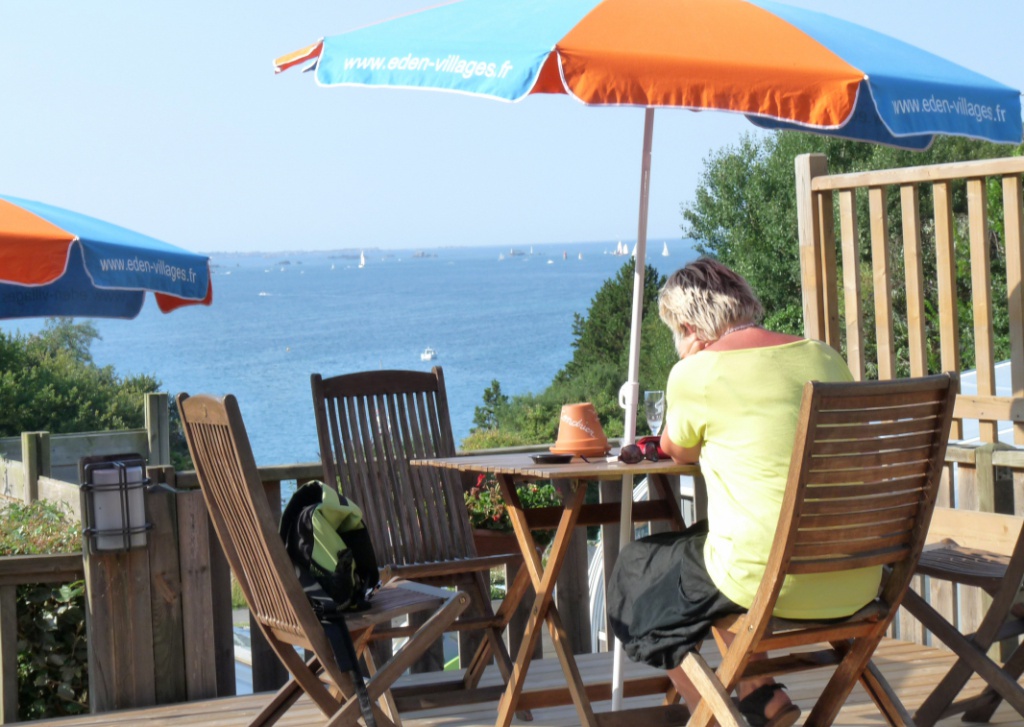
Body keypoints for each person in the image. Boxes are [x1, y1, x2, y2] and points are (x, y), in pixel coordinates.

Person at [607, 258, 880, 727]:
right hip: (856, 575)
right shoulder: (824, 357)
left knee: (635, 573)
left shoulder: (699, 372)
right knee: (710, 548)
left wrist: (690, 366)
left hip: (768, 581)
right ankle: (761, 694)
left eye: (676, 334)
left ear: (689, 327)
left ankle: (715, 716)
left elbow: (676, 448)